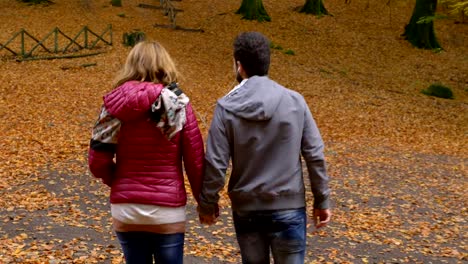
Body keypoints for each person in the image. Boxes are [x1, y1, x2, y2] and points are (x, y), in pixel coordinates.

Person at [198, 32, 332, 264]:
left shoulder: (226, 107)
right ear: (267, 62)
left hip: (247, 209)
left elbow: (216, 162)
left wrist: (207, 203)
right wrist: (322, 201)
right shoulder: (295, 101)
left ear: (239, 66)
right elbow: (314, 155)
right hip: (288, 205)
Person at [88, 40, 204, 264]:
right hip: (167, 210)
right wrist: (205, 204)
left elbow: (97, 162)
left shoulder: (113, 105)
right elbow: (195, 161)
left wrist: (122, 182)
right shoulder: (178, 103)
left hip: (127, 208)